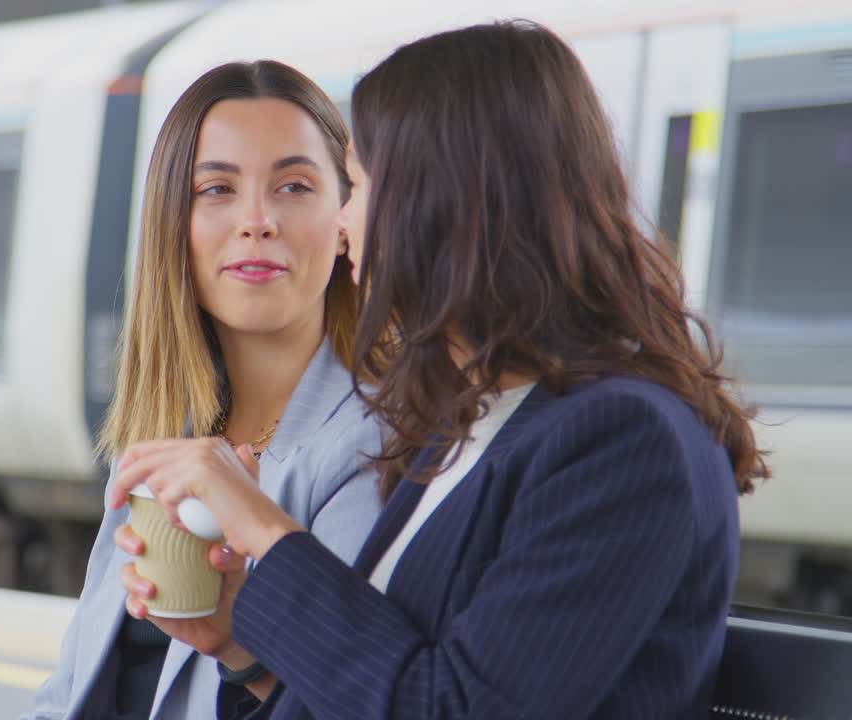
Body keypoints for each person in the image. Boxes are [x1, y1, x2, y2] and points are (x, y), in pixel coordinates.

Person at [108, 20, 767, 719]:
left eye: (355, 188)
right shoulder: (463, 423)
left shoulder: (625, 442)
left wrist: (265, 531)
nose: (339, 226)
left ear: (446, 203)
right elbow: (397, 688)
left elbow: (455, 710)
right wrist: (242, 648)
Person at [22, 60, 383, 720]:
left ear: (343, 219)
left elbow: (358, 700)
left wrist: (245, 649)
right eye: (216, 189)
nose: (257, 220)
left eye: (295, 186)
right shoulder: (171, 429)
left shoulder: (380, 445)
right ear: (173, 226)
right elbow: (70, 687)